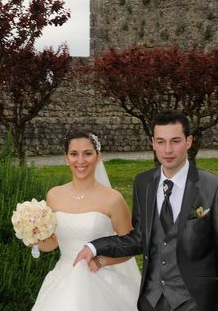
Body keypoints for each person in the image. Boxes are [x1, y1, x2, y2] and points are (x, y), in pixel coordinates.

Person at [75, 110, 218, 311]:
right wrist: (95, 247)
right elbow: (138, 238)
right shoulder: (143, 183)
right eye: (161, 142)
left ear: (188, 141)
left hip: (197, 302)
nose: (168, 150)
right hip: (151, 301)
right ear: (153, 143)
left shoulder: (214, 187)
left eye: (175, 141)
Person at [30, 129, 141, 311]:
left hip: (99, 280)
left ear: (98, 157)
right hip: (62, 280)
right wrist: (34, 239)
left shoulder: (113, 199)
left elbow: (131, 246)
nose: (80, 161)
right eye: (74, 154)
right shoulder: (54, 195)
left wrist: (101, 261)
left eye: (87, 153)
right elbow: (53, 243)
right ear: (66, 158)